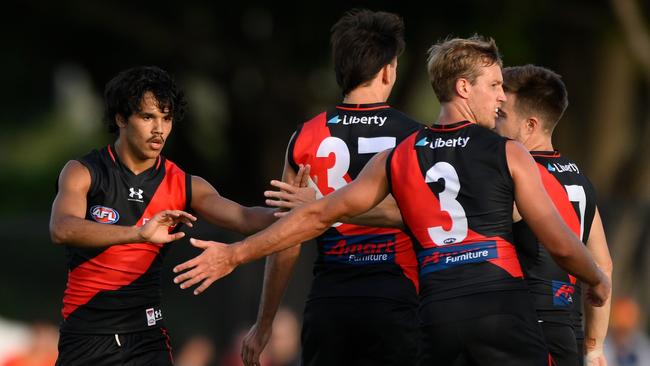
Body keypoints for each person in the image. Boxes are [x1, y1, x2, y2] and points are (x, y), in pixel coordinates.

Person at [173, 36, 611, 366]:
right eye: (495, 85)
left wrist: (235, 254)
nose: (500, 99)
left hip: (437, 316)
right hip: (499, 307)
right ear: (463, 87)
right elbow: (560, 242)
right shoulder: (509, 151)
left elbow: (319, 216)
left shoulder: (398, 156)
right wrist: (596, 278)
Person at [178, 9, 423, 366]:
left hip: (330, 299)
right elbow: (422, 217)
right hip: (397, 294)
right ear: (388, 69)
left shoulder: (306, 136)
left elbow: (288, 236)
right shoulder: (413, 136)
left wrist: (264, 324)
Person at [49, 66, 306, 365]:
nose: (159, 129)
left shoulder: (184, 184)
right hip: (86, 337)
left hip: (146, 339)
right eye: (148, 117)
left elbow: (246, 218)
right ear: (121, 118)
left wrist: (301, 211)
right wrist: (137, 233)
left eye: (166, 118)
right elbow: (62, 228)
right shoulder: (84, 172)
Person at [495, 64, 613, 366]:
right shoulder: (579, 177)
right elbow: (604, 266)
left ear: (530, 125)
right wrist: (594, 347)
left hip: (527, 323)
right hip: (567, 327)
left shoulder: (520, 176)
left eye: (502, 115)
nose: (493, 123)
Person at [604, 296, 650, 366]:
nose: (624, 322)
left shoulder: (643, 347)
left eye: (628, 315)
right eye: (620, 315)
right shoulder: (602, 348)